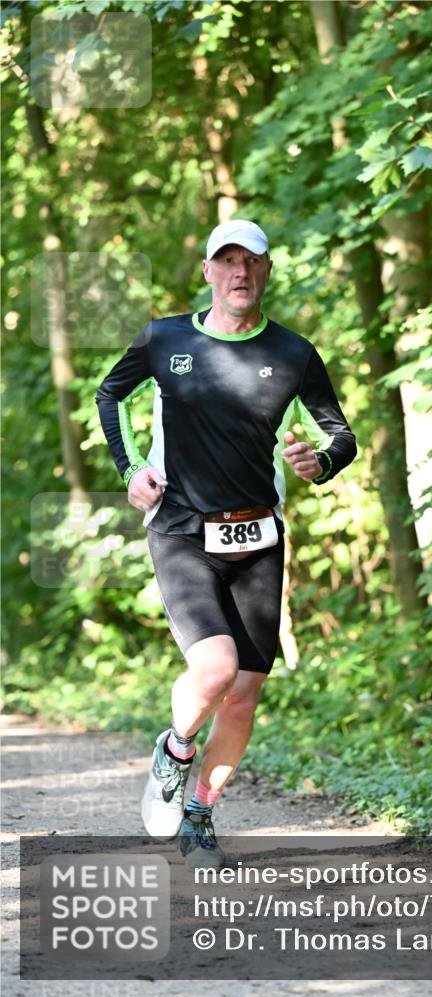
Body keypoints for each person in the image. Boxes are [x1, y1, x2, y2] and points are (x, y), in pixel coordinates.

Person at [95, 220, 356, 869]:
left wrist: (317, 463)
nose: (240, 273)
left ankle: (199, 818)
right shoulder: (166, 338)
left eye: (252, 262)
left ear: (267, 272)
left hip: (258, 533)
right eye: (227, 261)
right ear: (208, 271)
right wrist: (132, 471)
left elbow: (340, 436)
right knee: (213, 669)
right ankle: (175, 750)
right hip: (181, 526)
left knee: (243, 691)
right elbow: (110, 394)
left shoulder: (294, 353)